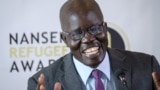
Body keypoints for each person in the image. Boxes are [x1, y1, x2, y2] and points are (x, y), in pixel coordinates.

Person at [27, 0, 160, 90]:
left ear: (105, 29)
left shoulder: (147, 67)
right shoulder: (44, 83)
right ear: (65, 39)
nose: (89, 39)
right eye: (77, 33)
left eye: (95, 29)